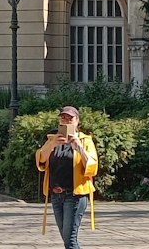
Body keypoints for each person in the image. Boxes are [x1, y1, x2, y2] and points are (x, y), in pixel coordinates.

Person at [36, 106, 98, 249]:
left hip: (75, 195)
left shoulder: (85, 141)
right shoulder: (52, 139)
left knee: (70, 240)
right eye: (63, 117)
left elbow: (92, 167)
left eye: (70, 118)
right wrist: (52, 145)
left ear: (77, 121)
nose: (66, 121)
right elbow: (41, 162)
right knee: (66, 239)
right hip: (56, 196)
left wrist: (79, 147)